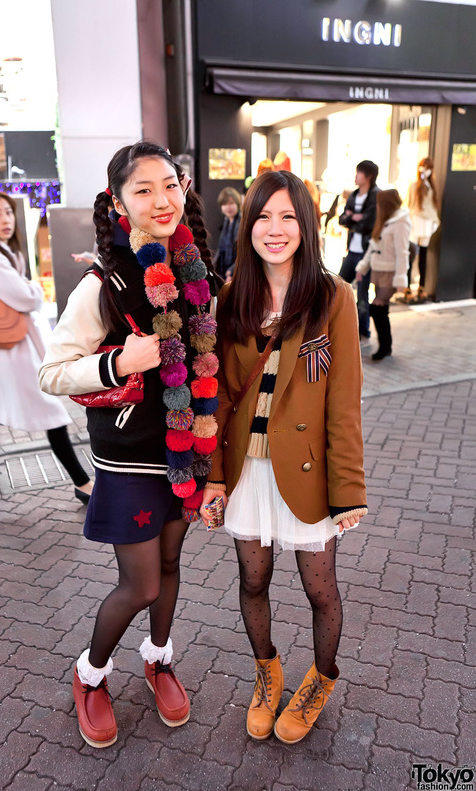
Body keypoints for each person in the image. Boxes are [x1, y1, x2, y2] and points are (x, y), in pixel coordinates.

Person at [39, 141, 219, 748]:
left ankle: (159, 658)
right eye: (143, 190)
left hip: (184, 450)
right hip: (129, 459)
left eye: (170, 185)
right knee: (140, 584)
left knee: (172, 566)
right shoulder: (102, 284)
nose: (161, 200)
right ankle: (91, 675)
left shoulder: (196, 268)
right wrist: (120, 361)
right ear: (119, 202)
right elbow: (53, 372)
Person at [201, 170, 367, 745]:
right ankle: (266, 673)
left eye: (287, 217)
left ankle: (320, 679)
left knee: (320, 588)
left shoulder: (331, 297)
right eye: (263, 217)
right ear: (247, 225)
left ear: (307, 225)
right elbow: (220, 396)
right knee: (254, 579)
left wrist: (349, 490)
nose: (274, 229)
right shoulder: (231, 297)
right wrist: (215, 479)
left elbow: (344, 403)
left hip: (309, 474)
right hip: (247, 471)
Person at [0, 189, 93, 504]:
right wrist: (31, 288)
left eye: (7, 212)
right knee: (51, 412)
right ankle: (83, 484)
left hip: (0, 349)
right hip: (7, 352)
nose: (5, 219)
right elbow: (26, 297)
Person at [355, 189, 410, 361]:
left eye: (379, 203)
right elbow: (373, 247)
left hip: (390, 273)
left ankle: (384, 346)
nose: (377, 206)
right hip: (379, 271)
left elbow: (403, 252)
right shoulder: (385, 221)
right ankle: (386, 347)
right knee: (382, 310)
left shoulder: (400, 223)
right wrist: (362, 267)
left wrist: (401, 278)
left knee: (377, 307)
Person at [338, 160, 380, 339]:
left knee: (362, 293)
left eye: (359, 173)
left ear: (368, 176)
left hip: (366, 251)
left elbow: (368, 224)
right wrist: (354, 217)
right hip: (352, 251)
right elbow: (342, 219)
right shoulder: (354, 195)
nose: (356, 176)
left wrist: (352, 218)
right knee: (338, 286)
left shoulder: (376, 196)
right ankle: (339, 324)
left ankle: (363, 330)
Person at [405, 157, 440, 303]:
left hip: (427, 223)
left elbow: (432, 206)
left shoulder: (431, 186)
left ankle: (422, 287)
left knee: (424, 255)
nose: (425, 170)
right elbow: (409, 204)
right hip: (415, 221)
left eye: (428, 167)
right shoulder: (414, 186)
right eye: (423, 167)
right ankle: (407, 288)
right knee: (411, 254)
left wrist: (434, 221)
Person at [213, 187, 242, 281]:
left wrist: (232, 271)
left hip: (237, 272)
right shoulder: (226, 221)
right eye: (225, 204)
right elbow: (221, 248)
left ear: (237, 204)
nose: (228, 207)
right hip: (224, 271)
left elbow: (244, 252)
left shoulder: (242, 222)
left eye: (231, 203)